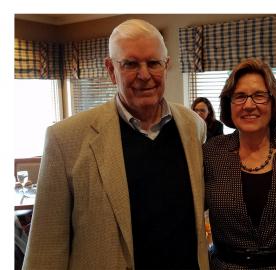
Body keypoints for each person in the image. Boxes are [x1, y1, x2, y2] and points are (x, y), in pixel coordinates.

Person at [23, 19, 209, 269]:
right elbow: (45, 252)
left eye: (153, 63)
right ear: (111, 70)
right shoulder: (65, 139)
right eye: (130, 64)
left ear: (166, 66)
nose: (144, 75)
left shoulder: (193, 126)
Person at [203, 58, 276, 269]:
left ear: (274, 102)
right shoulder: (210, 154)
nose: (249, 105)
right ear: (229, 103)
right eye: (240, 96)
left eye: (259, 96)